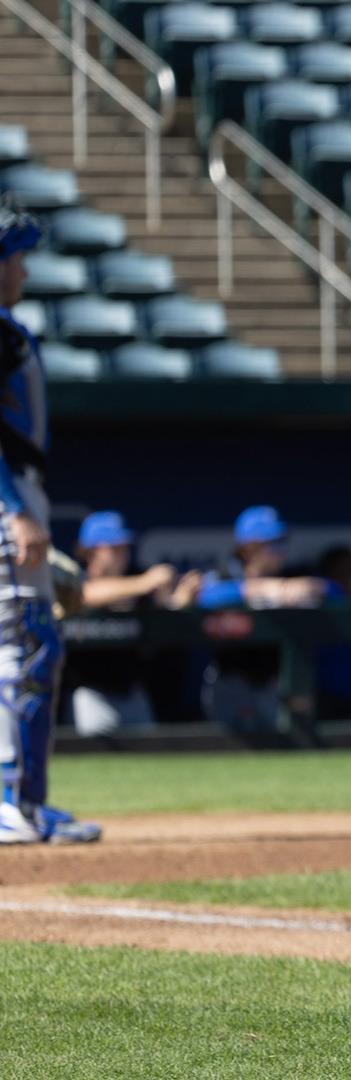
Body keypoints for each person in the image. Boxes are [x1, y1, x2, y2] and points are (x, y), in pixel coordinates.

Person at [0, 200, 98, 843]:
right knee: (28, 647)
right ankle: (15, 802)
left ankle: (23, 802)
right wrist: (14, 511)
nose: (25, 271)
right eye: (17, 258)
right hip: (8, 495)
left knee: (24, 646)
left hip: (15, 493)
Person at [198, 505, 328, 730]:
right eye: (273, 543)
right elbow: (207, 596)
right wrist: (257, 589)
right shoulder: (223, 575)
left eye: (282, 541)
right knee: (225, 748)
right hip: (231, 680)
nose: (281, 550)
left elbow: (334, 589)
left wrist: (311, 587)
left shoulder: (289, 576)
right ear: (248, 549)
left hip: (272, 682)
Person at [67, 511, 193, 736]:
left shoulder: (135, 574)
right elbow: (86, 594)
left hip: (132, 691)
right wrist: (144, 583)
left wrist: (178, 598)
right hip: (91, 693)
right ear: (91, 550)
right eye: (114, 547)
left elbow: (166, 604)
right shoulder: (76, 576)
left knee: (150, 752)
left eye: (125, 546)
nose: (123, 553)